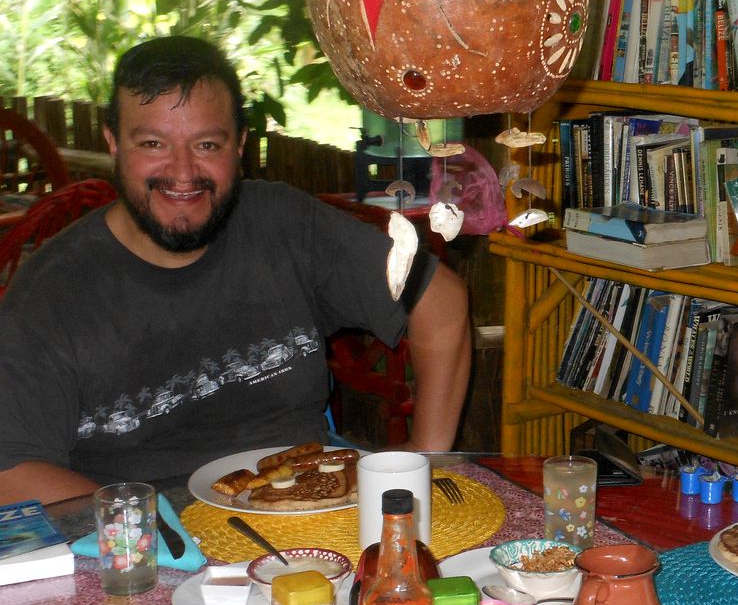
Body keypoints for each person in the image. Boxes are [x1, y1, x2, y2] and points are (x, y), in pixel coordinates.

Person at [0, 36, 471, 504]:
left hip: (313, 511)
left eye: (207, 144)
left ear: (240, 147)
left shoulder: (283, 223)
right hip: (150, 541)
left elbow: (440, 300)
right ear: (114, 145)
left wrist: (421, 457)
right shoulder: (53, 290)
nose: (182, 173)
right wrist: (153, 534)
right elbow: (12, 471)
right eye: (152, 143)